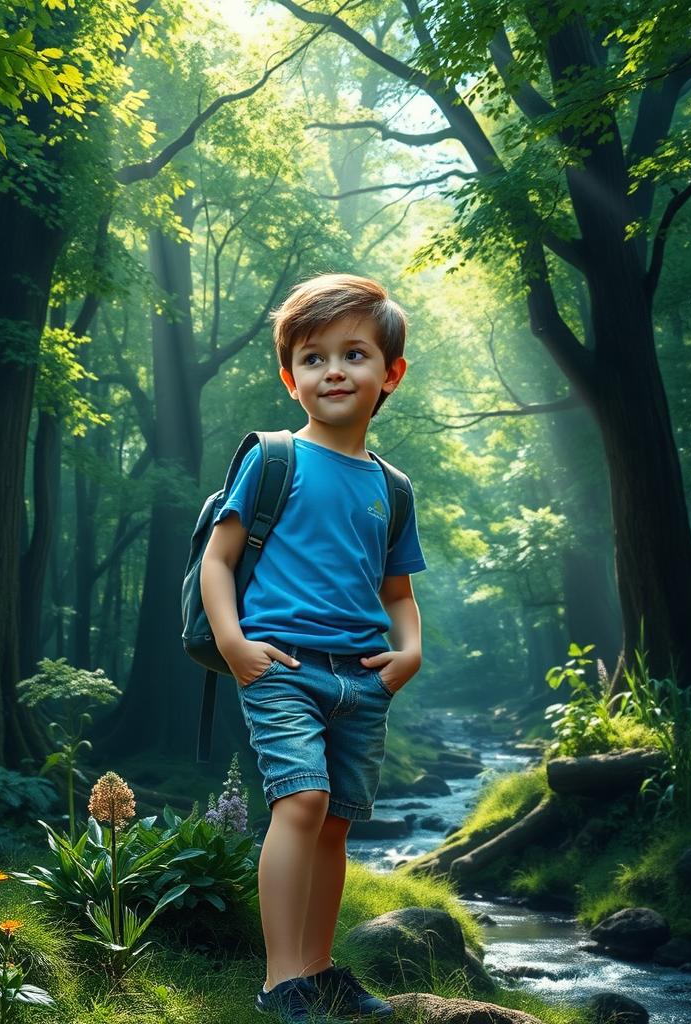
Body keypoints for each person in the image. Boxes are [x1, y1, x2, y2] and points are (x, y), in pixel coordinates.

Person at [200, 273, 426, 1022]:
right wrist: (234, 644)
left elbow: (397, 591)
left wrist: (410, 652)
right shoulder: (272, 460)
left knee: (335, 823)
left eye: (354, 353)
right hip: (282, 667)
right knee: (302, 800)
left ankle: (320, 969)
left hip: (363, 678)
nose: (333, 370)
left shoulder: (392, 488)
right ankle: (280, 981)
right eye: (313, 356)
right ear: (289, 376)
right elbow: (219, 559)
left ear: (389, 374)